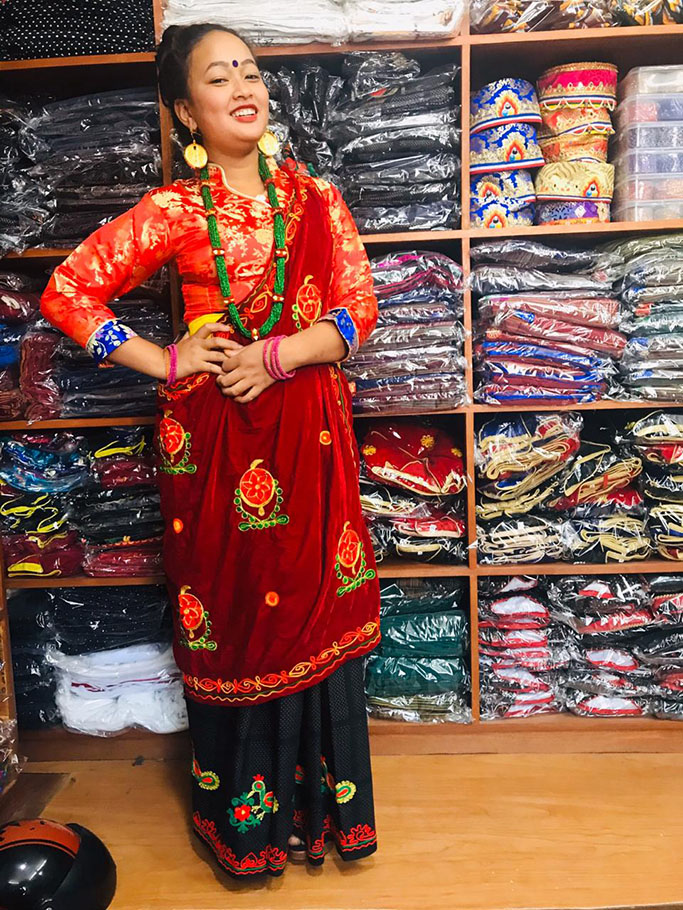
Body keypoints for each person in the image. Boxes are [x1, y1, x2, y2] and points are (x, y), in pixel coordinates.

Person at [40, 23, 381, 879]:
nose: (242, 85)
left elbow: (354, 315)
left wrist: (273, 357)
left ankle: (320, 813)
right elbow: (69, 290)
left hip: (305, 433)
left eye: (251, 70)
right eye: (217, 76)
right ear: (186, 111)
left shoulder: (319, 200)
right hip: (216, 447)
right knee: (236, 615)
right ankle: (249, 823)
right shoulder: (175, 211)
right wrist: (161, 358)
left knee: (311, 596)